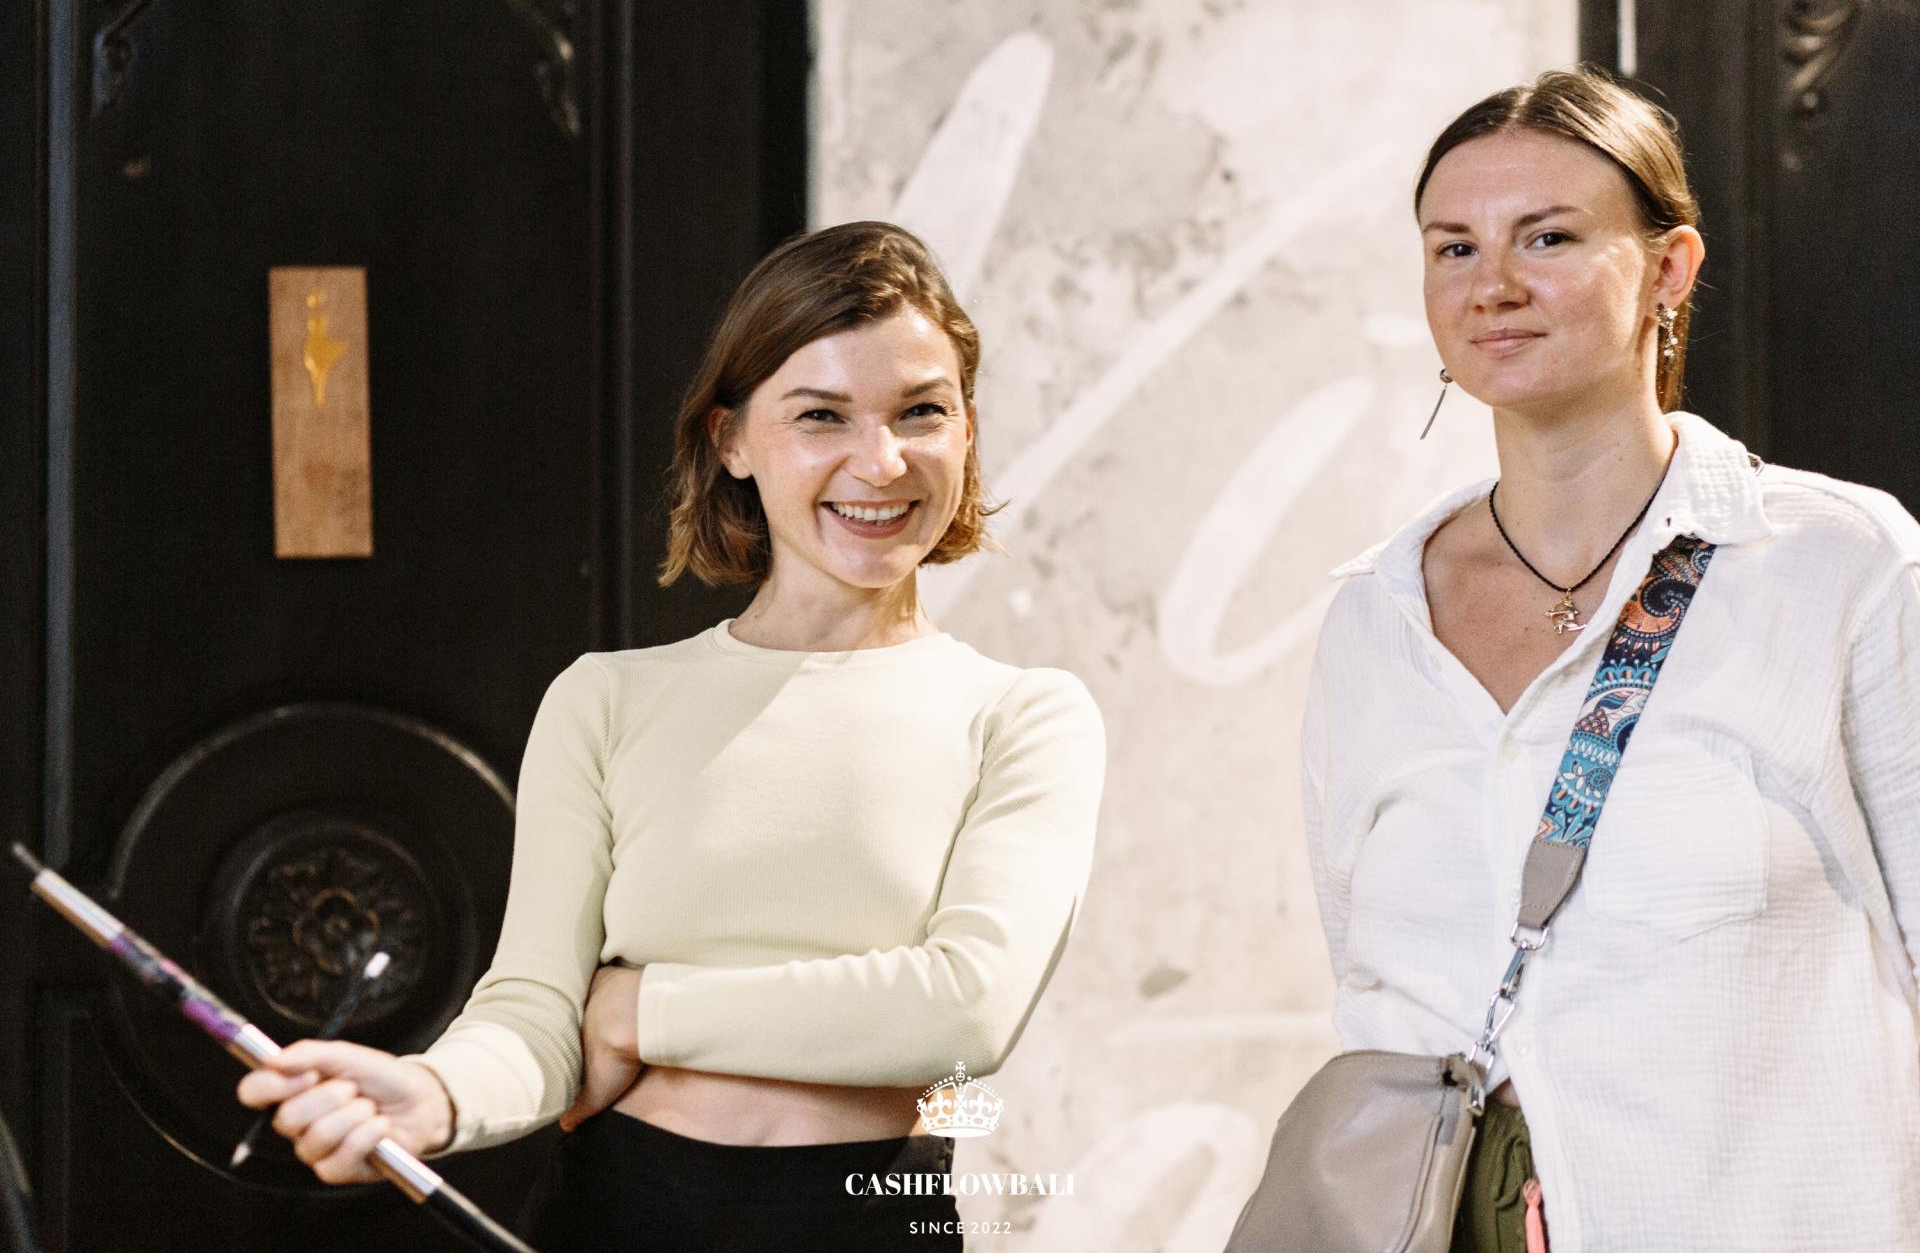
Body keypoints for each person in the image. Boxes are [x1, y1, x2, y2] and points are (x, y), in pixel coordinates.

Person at [237, 220, 1107, 1251]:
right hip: (615, 1212)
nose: (880, 461)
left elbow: (963, 1014)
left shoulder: (1024, 715)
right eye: (820, 415)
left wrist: (639, 1011)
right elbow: (533, 1015)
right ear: (731, 439)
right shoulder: (607, 700)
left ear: (965, 428)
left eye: (922, 410)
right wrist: (434, 1094)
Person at [1301, 68, 1920, 1252]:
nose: (1493, 284)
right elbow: (1367, 976)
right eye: (1454, 246)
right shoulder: (1375, 616)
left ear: (1670, 269)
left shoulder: (1836, 564)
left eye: (1548, 236)